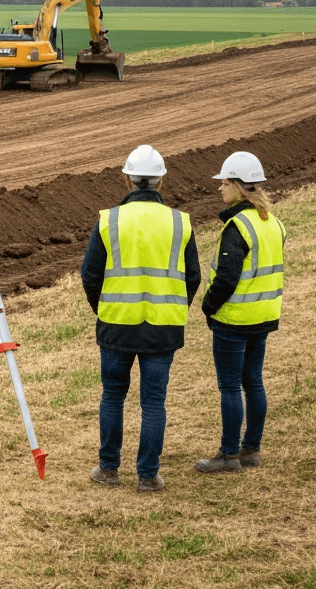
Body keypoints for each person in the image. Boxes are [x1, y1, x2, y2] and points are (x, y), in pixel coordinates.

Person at [82, 145, 201, 493]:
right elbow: (192, 277)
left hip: (117, 323)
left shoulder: (110, 219)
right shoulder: (180, 222)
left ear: (127, 178)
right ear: (161, 180)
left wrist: (105, 309)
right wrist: (174, 308)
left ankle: (108, 469)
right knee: (153, 402)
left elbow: (90, 276)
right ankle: (148, 476)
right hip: (163, 328)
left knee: (113, 396)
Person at [194, 151, 286, 474]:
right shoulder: (272, 223)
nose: (220, 187)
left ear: (238, 186)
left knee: (231, 386)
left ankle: (229, 454)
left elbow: (227, 278)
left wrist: (208, 306)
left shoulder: (237, 226)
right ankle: (252, 450)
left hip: (234, 320)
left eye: (224, 182)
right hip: (263, 317)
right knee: (253, 381)